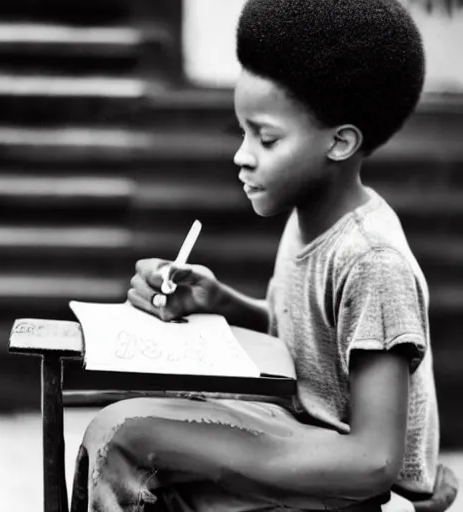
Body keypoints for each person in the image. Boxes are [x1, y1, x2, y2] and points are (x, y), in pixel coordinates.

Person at [70, 1, 459, 510]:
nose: (242, 154)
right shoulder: (310, 217)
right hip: (294, 437)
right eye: (243, 130)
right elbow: (309, 345)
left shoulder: (372, 261)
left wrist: (211, 451)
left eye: (266, 138)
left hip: (330, 478)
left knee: (124, 434)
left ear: (339, 142)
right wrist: (219, 301)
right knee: (131, 430)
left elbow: (374, 459)